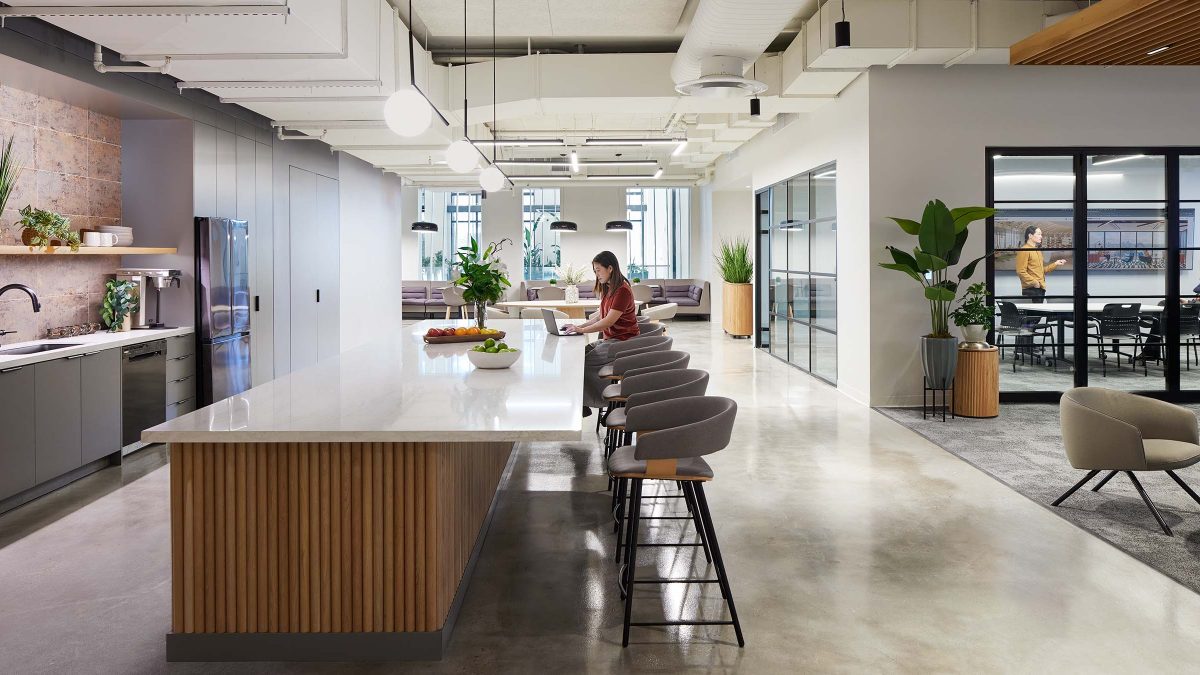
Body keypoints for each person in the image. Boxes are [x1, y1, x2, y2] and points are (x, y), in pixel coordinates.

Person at [562, 251, 640, 416]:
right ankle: (583, 401)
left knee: (582, 363)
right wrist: (578, 326)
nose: (596, 275)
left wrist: (581, 330)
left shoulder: (622, 291)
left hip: (622, 343)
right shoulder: (610, 288)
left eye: (598, 270)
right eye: (595, 271)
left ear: (610, 268)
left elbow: (608, 322)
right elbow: (600, 315)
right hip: (611, 341)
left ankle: (589, 403)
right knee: (578, 356)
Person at [1015, 225, 1066, 303]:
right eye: (1038, 234)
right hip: (1031, 289)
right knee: (1034, 315)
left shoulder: (1037, 251)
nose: (1041, 236)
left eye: (1041, 234)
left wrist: (1056, 263)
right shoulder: (1024, 250)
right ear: (1030, 236)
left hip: (1040, 289)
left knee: (1038, 314)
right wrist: (1035, 283)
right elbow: (1020, 271)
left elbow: (1041, 270)